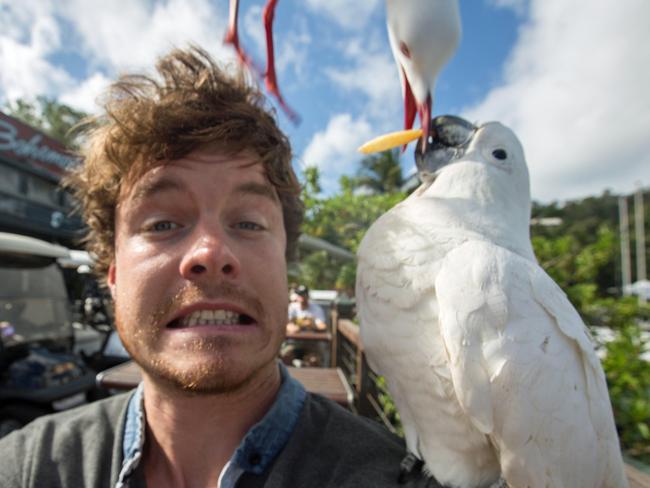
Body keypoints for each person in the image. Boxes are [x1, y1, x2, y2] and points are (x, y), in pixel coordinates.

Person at [0, 47, 433, 487]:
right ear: (112, 274)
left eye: (248, 222)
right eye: (163, 223)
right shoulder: (26, 468)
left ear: (286, 267)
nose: (210, 252)